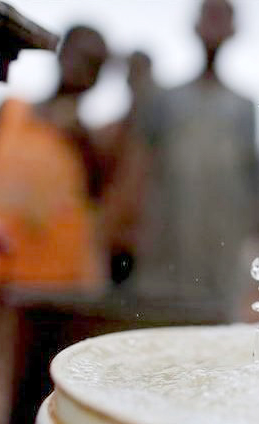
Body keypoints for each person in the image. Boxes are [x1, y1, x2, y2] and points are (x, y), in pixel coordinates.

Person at [0, 26, 109, 424]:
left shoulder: (87, 137)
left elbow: (104, 193)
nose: (81, 69)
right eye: (77, 55)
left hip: (54, 289)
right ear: (60, 55)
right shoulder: (10, 109)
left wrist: (80, 139)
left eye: (93, 65)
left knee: (32, 392)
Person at [130, 0, 259, 323]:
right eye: (209, 17)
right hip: (165, 255)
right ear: (194, 26)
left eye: (222, 19)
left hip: (219, 261)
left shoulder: (243, 108)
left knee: (212, 340)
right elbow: (138, 168)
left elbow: (254, 183)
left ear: (233, 30)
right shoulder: (164, 101)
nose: (214, 28)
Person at [97, 51, 158, 285]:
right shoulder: (111, 133)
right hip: (111, 245)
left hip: (148, 247)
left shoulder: (162, 139)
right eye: (133, 75)